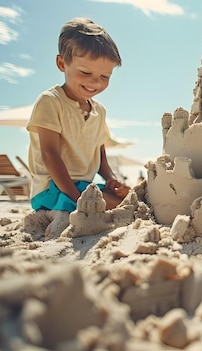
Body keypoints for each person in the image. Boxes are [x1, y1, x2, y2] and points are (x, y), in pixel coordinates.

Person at [25, 17, 129, 238]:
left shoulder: (99, 111)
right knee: (112, 207)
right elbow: (49, 153)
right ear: (62, 64)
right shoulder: (50, 101)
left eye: (104, 76)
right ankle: (57, 215)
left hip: (84, 186)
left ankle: (70, 210)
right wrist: (75, 196)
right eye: (85, 73)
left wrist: (110, 178)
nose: (95, 83)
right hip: (53, 187)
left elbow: (99, 152)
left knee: (125, 201)